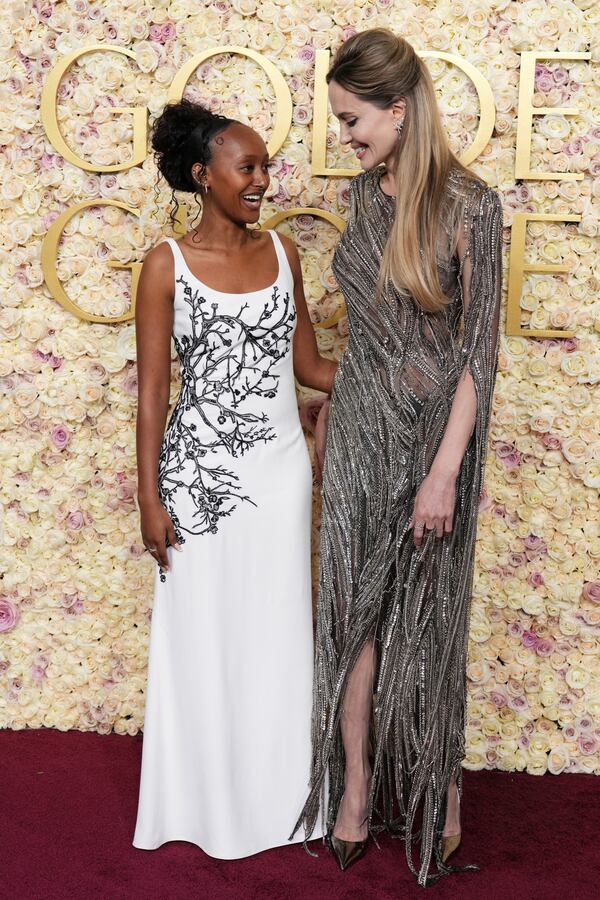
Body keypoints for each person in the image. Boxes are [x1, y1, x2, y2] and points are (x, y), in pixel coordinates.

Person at [292, 29, 503, 885]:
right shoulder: (362, 194)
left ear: (399, 109)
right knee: (352, 618)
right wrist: (333, 405)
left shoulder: (472, 206)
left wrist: (445, 471)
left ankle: (441, 796)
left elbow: (477, 356)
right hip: (356, 436)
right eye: (339, 120)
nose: (344, 134)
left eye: (352, 119)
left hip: (432, 442)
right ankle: (354, 797)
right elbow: (375, 328)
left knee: (429, 620)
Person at [133, 99, 336, 858]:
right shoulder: (166, 263)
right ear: (202, 175)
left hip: (280, 475)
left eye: (265, 167)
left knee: (277, 632)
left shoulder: (284, 253)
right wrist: (149, 497)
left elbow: (309, 366)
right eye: (247, 168)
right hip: (197, 484)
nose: (262, 181)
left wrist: (389, 386)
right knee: (204, 635)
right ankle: (201, 803)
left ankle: (284, 801)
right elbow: (155, 391)